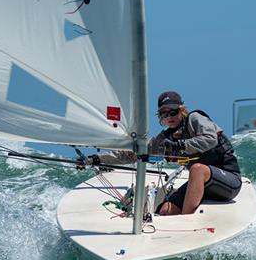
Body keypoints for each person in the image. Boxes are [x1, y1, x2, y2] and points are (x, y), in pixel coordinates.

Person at [81, 91, 242, 216]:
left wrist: (180, 146)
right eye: (164, 114)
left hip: (228, 181)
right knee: (165, 210)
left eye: (173, 112)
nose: (169, 117)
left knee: (197, 168)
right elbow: (131, 154)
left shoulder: (195, 119)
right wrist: (97, 158)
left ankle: (187, 221)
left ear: (182, 110)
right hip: (201, 186)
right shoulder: (164, 139)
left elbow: (210, 139)